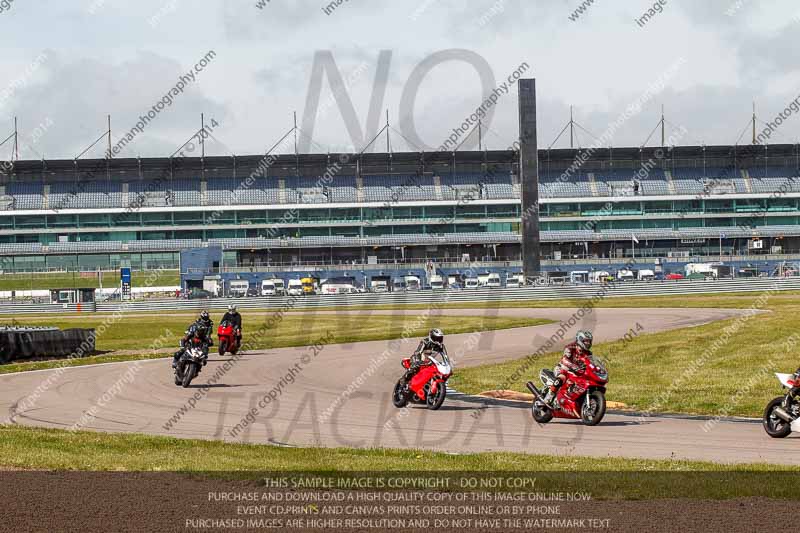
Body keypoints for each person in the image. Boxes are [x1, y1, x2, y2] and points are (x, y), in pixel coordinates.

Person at [543, 331, 593, 407]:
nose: (588, 343)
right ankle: (549, 396)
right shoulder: (570, 347)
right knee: (561, 378)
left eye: (589, 341)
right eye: (586, 341)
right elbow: (565, 360)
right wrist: (574, 366)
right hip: (563, 368)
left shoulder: (588, 353)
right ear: (580, 340)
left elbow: (591, 364)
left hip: (576, 373)